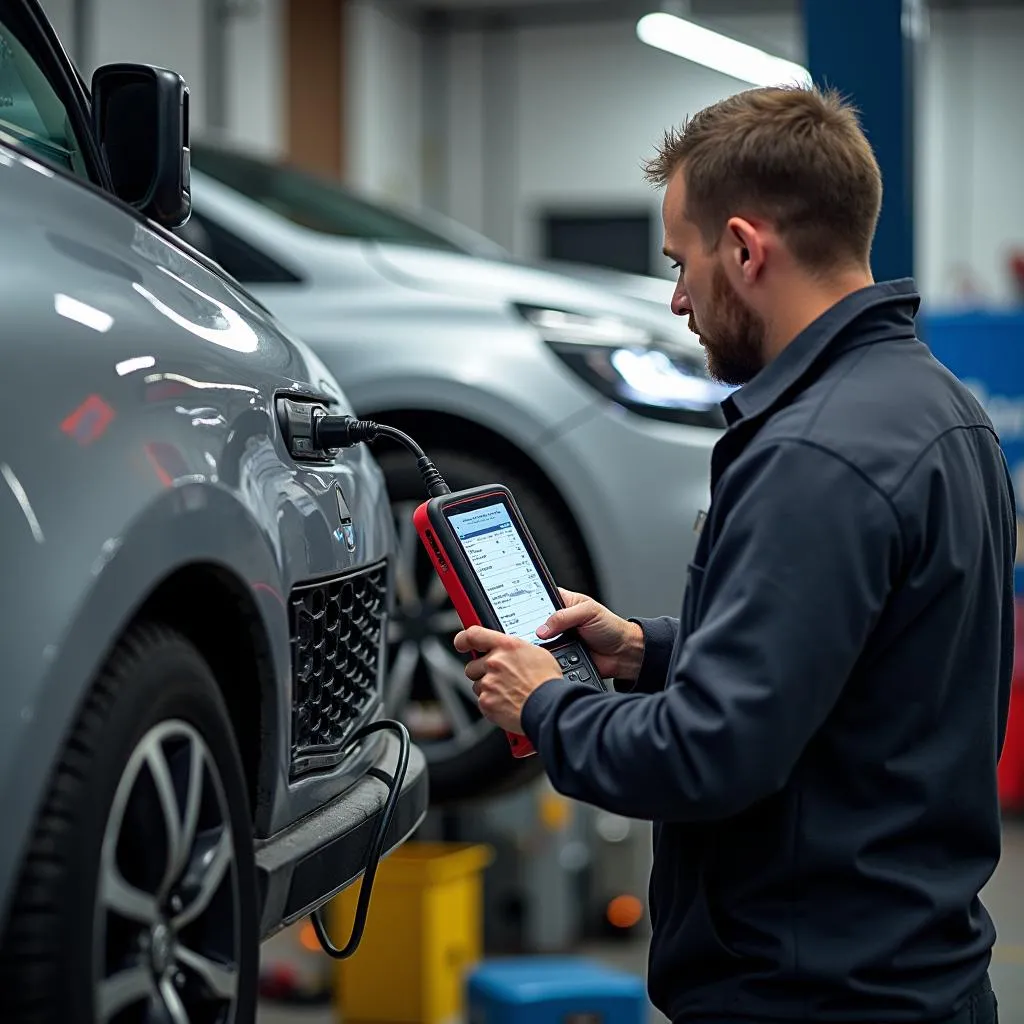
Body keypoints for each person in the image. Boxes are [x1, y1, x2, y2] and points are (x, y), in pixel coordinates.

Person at [454, 85, 1015, 1023]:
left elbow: (705, 756)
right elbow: (861, 666)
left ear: (747, 250)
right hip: (918, 973)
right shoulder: (940, 409)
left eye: (682, 263)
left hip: (812, 996)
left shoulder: (813, 454)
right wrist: (646, 649)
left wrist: (544, 705)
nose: (677, 300)